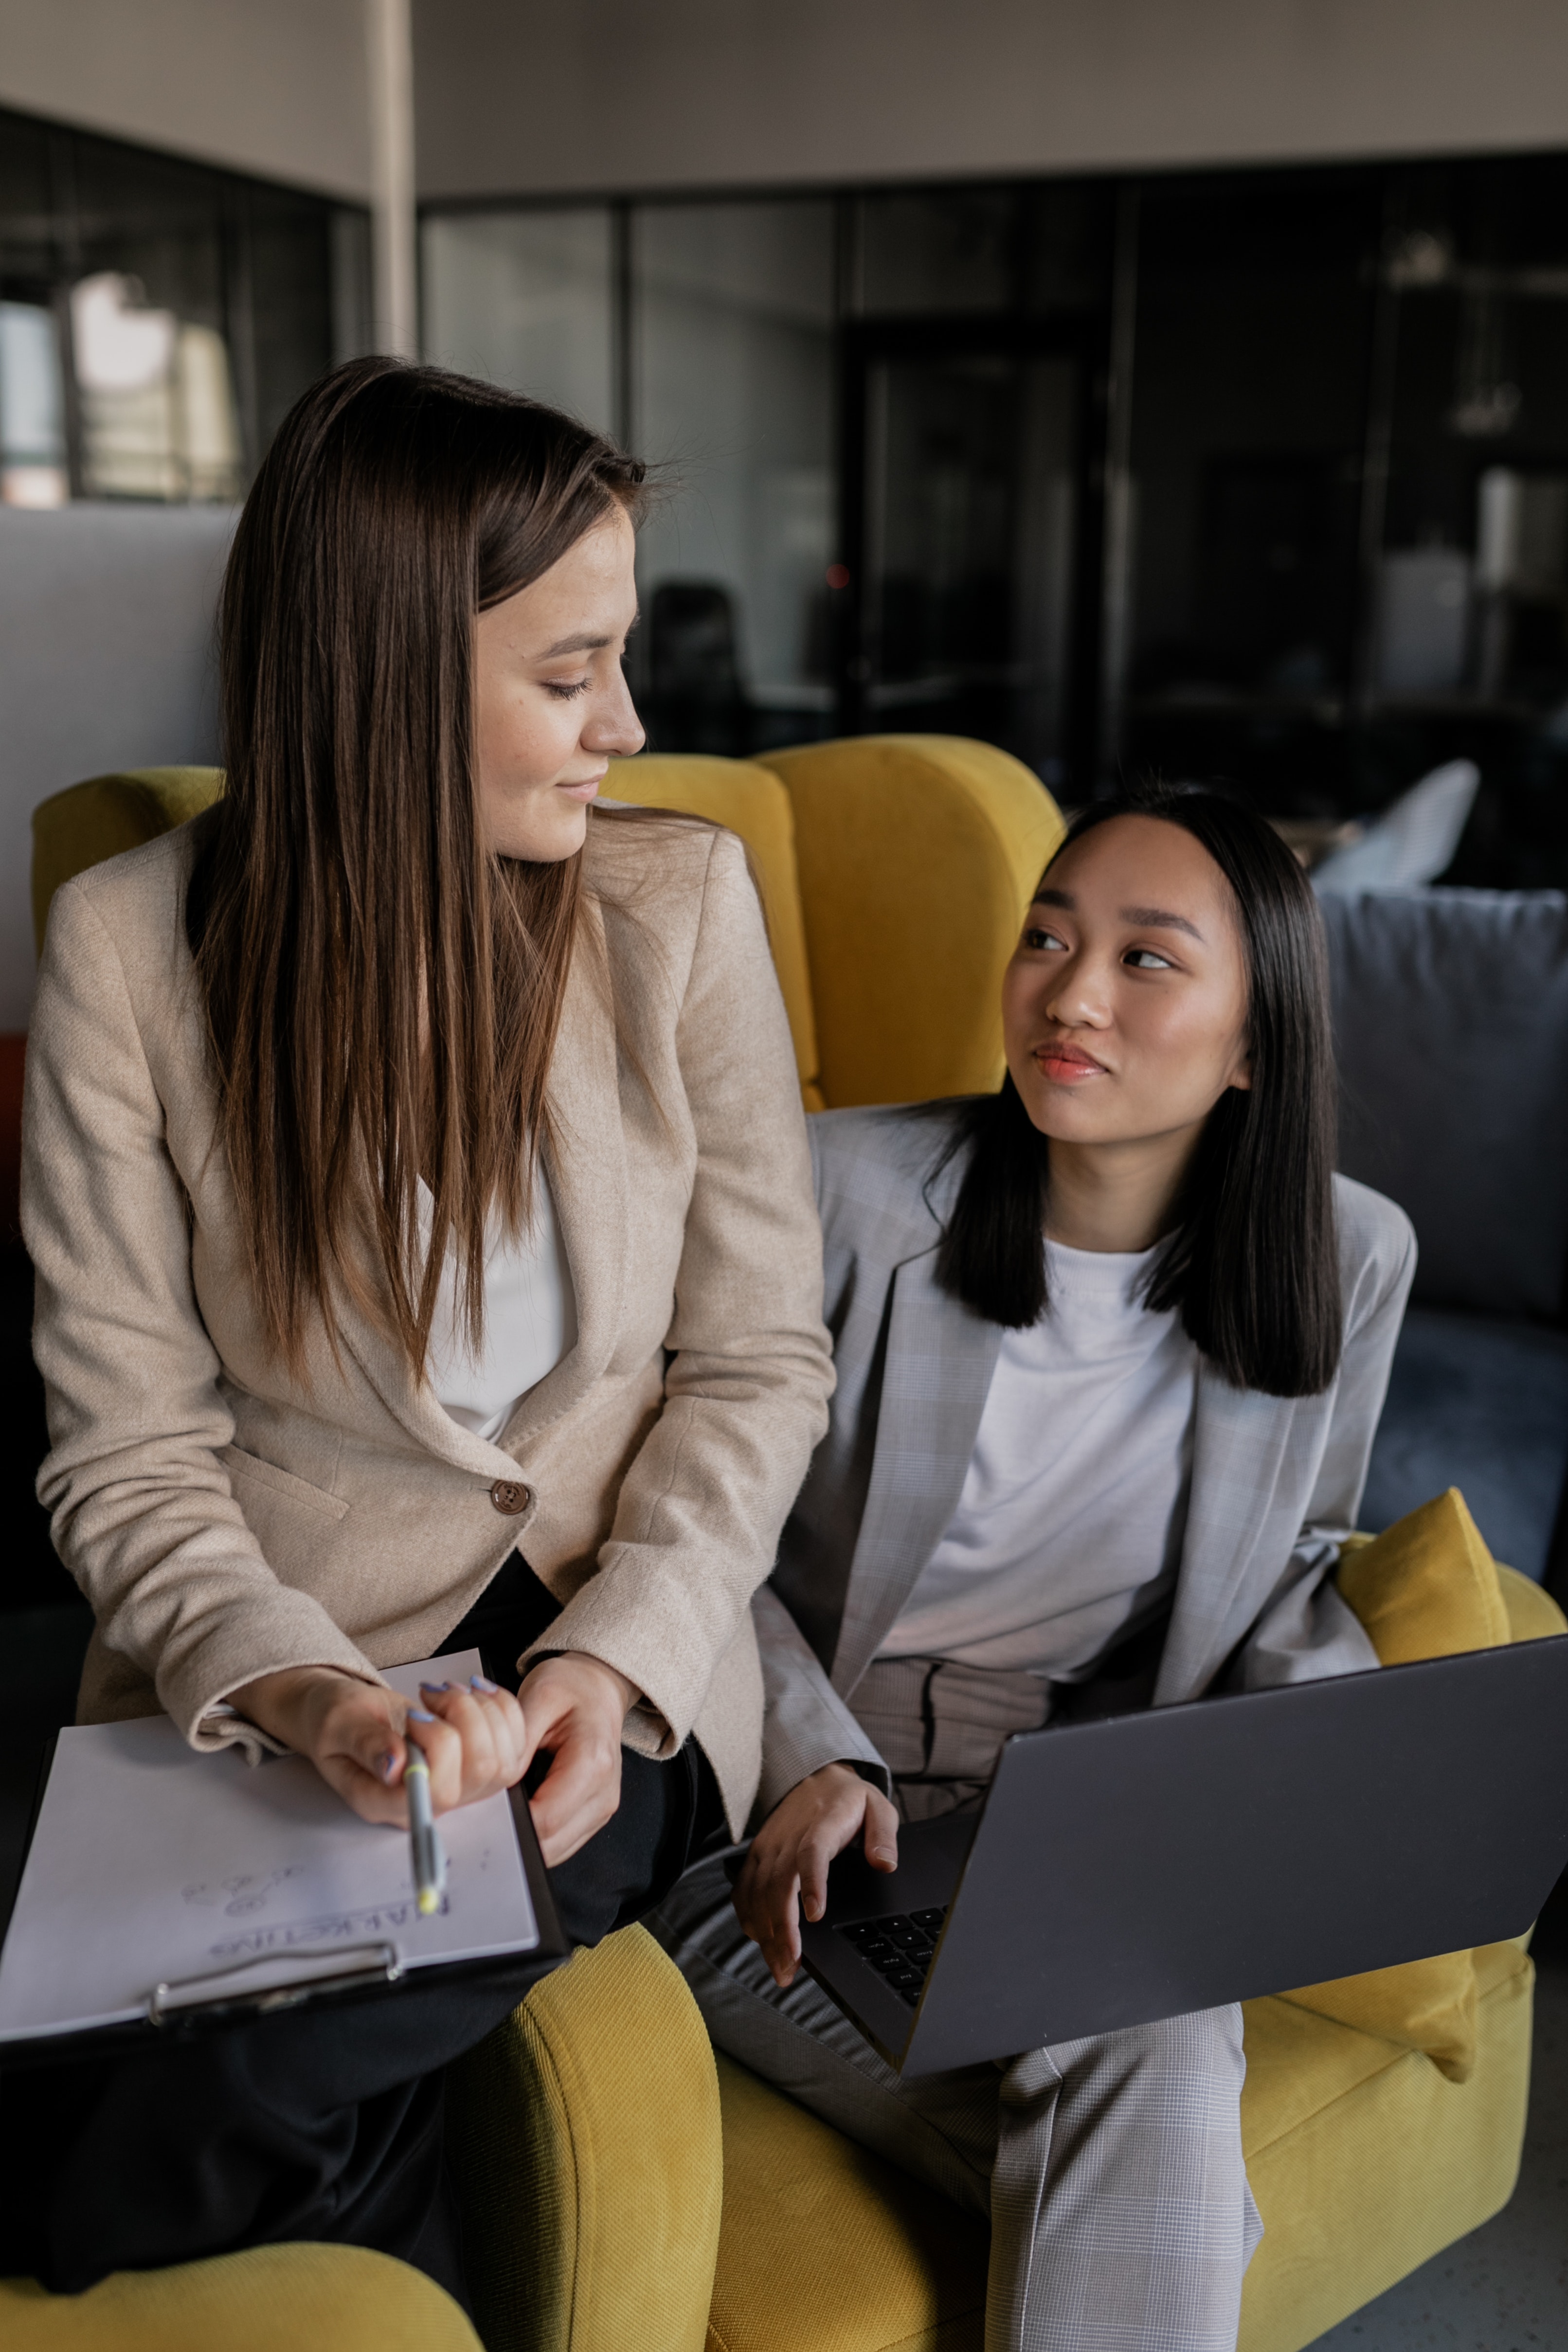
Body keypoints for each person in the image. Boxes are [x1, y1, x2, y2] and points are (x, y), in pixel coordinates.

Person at [10, 358, 833, 2302]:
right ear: (383, 678)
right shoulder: (130, 957)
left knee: (237, 2093)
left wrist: (617, 1669)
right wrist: (307, 1694)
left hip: (591, 1657)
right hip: (296, 1655)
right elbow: (124, 1447)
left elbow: (756, 1361)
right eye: (571, 675)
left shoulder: (678, 912)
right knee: (176, 2065)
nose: (626, 728)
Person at [653, 781, 1417, 2352]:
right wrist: (806, 1757)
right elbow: (681, 1533)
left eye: (1148, 958)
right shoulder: (836, 1195)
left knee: (1150, 2045)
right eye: (1048, 936)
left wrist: (1334, 1772)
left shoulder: (1351, 1258)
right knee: (1172, 2123)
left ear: (1256, 1038)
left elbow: (1298, 1567)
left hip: (1068, 1809)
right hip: (779, 1810)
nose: (1069, 993)